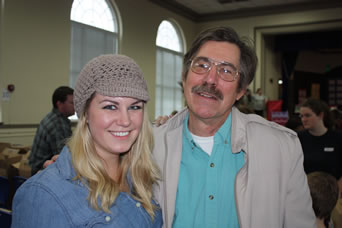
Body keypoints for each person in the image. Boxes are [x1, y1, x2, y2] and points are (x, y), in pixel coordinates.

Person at [153, 26, 316, 227]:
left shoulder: (282, 148)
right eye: (202, 65)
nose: (210, 79)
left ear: (241, 90)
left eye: (226, 71)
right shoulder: (151, 145)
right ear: (185, 75)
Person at [12, 54, 162, 227]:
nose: (125, 120)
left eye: (135, 107)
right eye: (110, 106)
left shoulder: (140, 175)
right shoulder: (44, 195)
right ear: (85, 114)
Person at [28, 86, 74, 175]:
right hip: (41, 171)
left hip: (35, 168)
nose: (75, 106)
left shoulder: (52, 117)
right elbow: (63, 157)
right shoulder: (58, 124)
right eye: (71, 103)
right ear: (59, 104)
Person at [298, 98, 342, 181]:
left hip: (333, 190)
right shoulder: (298, 139)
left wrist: (339, 190)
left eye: (307, 115)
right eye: (301, 116)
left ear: (321, 115)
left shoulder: (338, 138)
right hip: (306, 190)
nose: (303, 119)